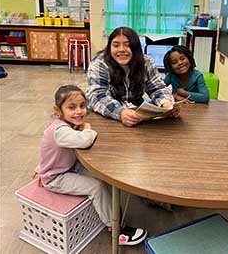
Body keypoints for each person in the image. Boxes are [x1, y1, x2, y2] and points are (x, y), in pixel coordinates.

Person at [34, 85, 147, 246]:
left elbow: (49, 152)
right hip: (56, 178)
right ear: (57, 110)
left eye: (82, 106)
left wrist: (40, 168)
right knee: (95, 187)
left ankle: (111, 212)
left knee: (103, 177)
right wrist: (87, 128)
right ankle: (116, 229)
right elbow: (85, 140)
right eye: (71, 107)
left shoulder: (65, 125)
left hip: (68, 168)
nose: (79, 111)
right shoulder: (60, 130)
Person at [86, 26, 180, 127]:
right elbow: (98, 96)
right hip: (106, 117)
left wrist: (166, 104)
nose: (121, 50)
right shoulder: (99, 63)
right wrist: (120, 112)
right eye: (116, 45)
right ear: (110, 47)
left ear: (136, 47)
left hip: (136, 116)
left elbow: (157, 88)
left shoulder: (146, 62)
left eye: (127, 45)